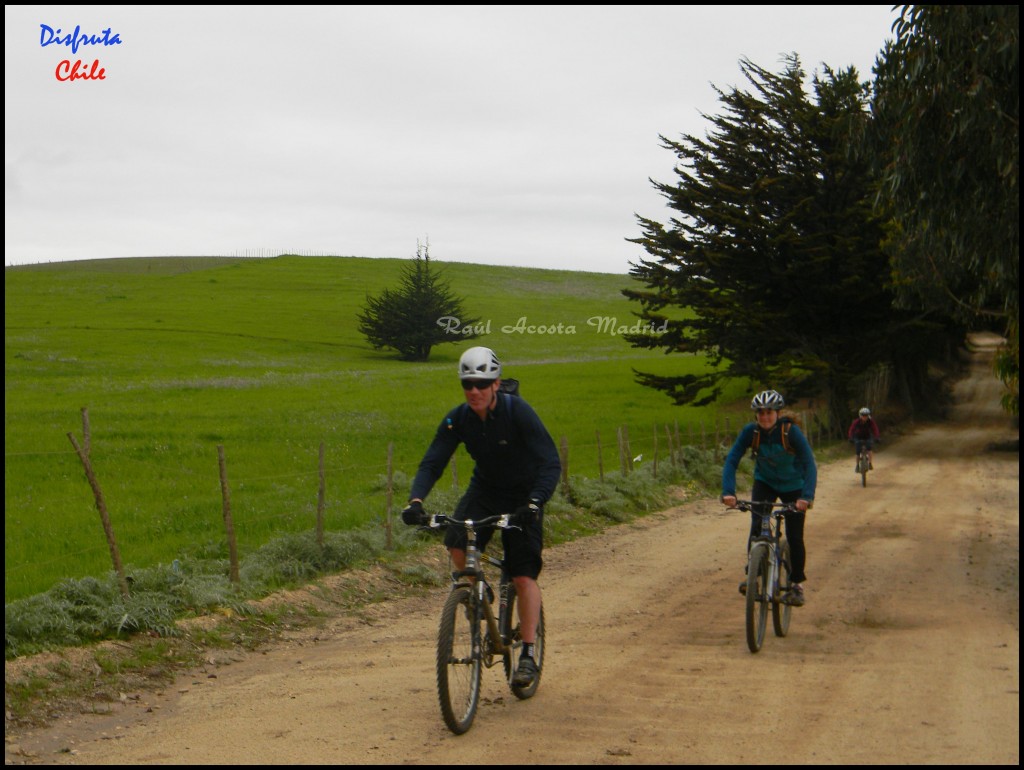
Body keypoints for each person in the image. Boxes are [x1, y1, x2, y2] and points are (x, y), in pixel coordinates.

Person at [401, 346, 561, 688]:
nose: (473, 390)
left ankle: (529, 654)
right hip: (486, 490)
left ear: (495, 384)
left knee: (522, 575)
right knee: (456, 542)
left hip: (524, 495)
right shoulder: (458, 418)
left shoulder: (518, 412)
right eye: (467, 384)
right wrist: (416, 501)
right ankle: (476, 595)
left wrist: (535, 502)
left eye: (481, 383)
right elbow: (433, 461)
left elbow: (550, 461)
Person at [721, 389, 817, 607]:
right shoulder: (750, 432)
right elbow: (732, 460)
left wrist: (806, 497)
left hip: (794, 486)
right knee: (757, 527)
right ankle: (752, 576)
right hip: (765, 482)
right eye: (760, 413)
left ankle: (796, 585)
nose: (764, 417)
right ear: (756, 414)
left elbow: (809, 464)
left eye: (769, 412)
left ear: (778, 413)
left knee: (794, 536)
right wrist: (728, 492)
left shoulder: (790, 432)